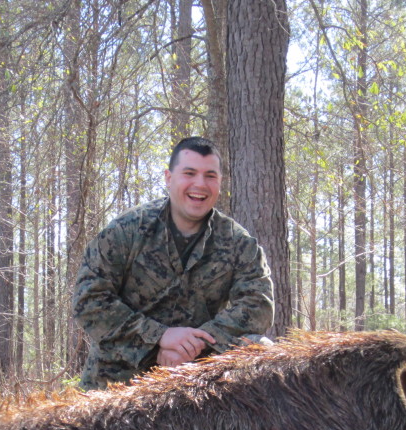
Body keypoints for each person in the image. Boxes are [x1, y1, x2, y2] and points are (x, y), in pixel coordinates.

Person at [73, 136, 274, 389]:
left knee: (260, 349)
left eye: (210, 176)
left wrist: (194, 344)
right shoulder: (126, 231)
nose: (200, 185)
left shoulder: (238, 242)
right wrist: (159, 338)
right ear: (169, 178)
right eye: (189, 173)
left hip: (198, 364)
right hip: (126, 365)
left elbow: (259, 306)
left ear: (220, 182)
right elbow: (88, 300)